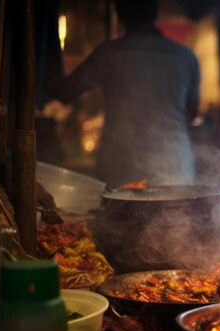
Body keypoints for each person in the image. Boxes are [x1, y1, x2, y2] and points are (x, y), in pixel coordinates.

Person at [48, 0, 201, 189]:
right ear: (154, 15)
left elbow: (65, 92)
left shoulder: (110, 52)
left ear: (120, 16)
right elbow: (192, 113)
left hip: (122, 163)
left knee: (120, 216)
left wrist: (44, 69)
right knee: (175, 215)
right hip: (173, 160)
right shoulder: (186, 56)